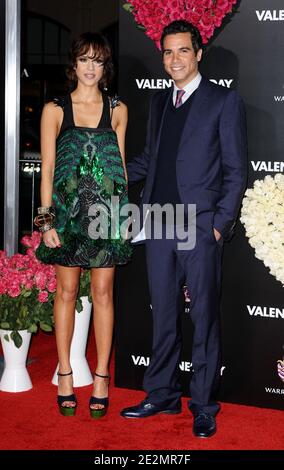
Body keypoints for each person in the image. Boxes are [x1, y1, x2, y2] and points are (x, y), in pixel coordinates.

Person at [120, 20, 247, 437]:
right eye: (168, 52)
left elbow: (235, 170)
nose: (174, 59)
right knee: (164, 315)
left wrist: (219, 224)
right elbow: (153, 160)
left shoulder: (222, 101)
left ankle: (204, 404)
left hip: (198, 226)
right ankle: (161, 394)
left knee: (205, 317)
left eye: (182, 51)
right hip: (157, 223)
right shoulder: (159, 104)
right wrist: (109, 172)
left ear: (198, 53)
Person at [35, 32, 132, 418]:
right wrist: (46, 222)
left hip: (107, 214)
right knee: (67, 291)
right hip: (67, 214)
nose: (91, 68)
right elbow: (47, 171)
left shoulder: (118, 109)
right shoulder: (55, 110)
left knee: (104, 294)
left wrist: (124, 217)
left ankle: (102, 375)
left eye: (98, 61)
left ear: (105, 67)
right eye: (84, 60)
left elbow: (120, 168)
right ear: (73, 65)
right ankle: (64, 372)